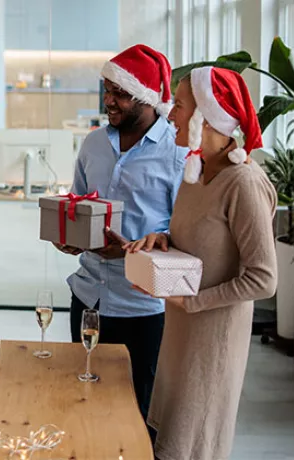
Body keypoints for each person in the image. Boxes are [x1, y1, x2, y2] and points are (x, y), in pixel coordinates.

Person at [126, 66, 278, 460]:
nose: (170, 114)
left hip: (211, 349)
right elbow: (202, 243)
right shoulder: (197, 171)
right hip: (178, 338)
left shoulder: (244, 184)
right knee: (165, 444)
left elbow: (263, 279)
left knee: (190, 449)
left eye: (178, 105)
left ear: (207, 117)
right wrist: (165, 239)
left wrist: (192, 301)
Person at [53, 44, 187, 420]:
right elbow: (80, 203)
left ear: (147, 99)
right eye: (107, 89)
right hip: (87, 299)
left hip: (143, 309)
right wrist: (69, 233)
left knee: (139, 413)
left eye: (121, 94)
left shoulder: (178, 152)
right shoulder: (94, 143)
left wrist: (133, 251)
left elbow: (186, 236)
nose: (109, 100)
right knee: (82, 403)